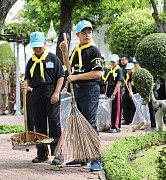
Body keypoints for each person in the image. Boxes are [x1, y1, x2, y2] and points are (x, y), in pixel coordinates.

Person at [59, 20, 103, 171]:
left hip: (90, 89)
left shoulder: (94, 50)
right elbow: (69, 68)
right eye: (84, 32)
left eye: (89, 32)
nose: (87, 35)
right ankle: (82, 157)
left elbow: (98, 73)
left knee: (90, 123)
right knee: (78, 123)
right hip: (77, 90)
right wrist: (64, 52)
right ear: (77, 34)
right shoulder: (77, 49)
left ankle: (96, 158)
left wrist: (76, 78)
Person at [22, 31, 64, 165]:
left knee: (54, 124)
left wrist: (57, 93)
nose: (37, 49)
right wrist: (25, 84)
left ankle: (58, 153)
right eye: (35, 47)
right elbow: (28, 78)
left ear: (45, 44)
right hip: (36, 95)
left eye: (39, 46)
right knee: (39, 124)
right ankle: (42, 153)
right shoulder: (31, 61)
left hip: (51, 93)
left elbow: (61, 76)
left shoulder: (53, 58)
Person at [104, 54, 123, 133]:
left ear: (117, 62)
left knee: (116, 108)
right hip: (110, 91)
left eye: (114, 62)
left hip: (116, 92)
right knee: (112, 109)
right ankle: (112, 125)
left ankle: (116, 126)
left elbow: (118, 83)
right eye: (111, 61)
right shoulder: (110, 70)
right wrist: (106, 93)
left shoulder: (118, 70)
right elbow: (108, 82)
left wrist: (114, 94)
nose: (112, 63)